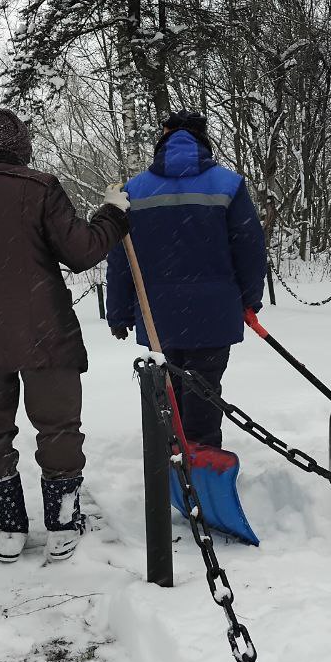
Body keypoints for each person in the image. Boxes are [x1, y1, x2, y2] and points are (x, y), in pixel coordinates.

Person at [0, 109, 129, 563]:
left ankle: (8, 527)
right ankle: (63, 523)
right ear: (24, 149)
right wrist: (113, 214)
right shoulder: (41, 188)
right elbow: (82, 251)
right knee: (58, 427)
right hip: (44, 332)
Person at [105, 110, 267, 449]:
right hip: (214, 312)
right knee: (204, 389)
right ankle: (203, 456)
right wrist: (250, 297)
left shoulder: (135, 190)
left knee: (168, 389)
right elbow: (249, 246)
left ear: (163, 140)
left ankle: (173, 457)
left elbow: (121, 257)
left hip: (158, 313)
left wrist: (118, 312)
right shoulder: (228, 185)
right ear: (202, 140)